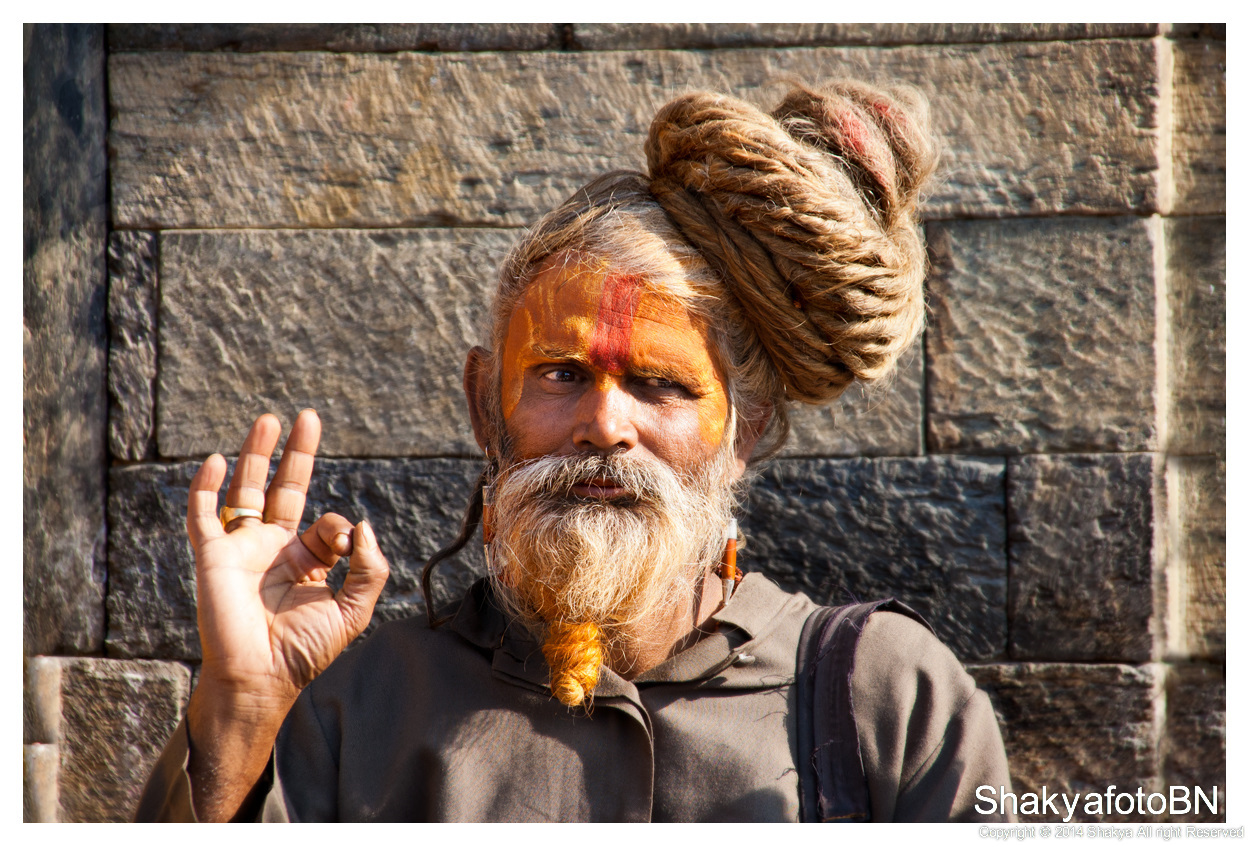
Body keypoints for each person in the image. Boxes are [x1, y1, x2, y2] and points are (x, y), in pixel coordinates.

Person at [136, 80, 1014, 822]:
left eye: (662, 384)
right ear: (488, 403)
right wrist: (246, 709)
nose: (605, 423)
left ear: (745, 429)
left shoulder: (890, 702)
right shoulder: (348, 704)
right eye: (558, 374)